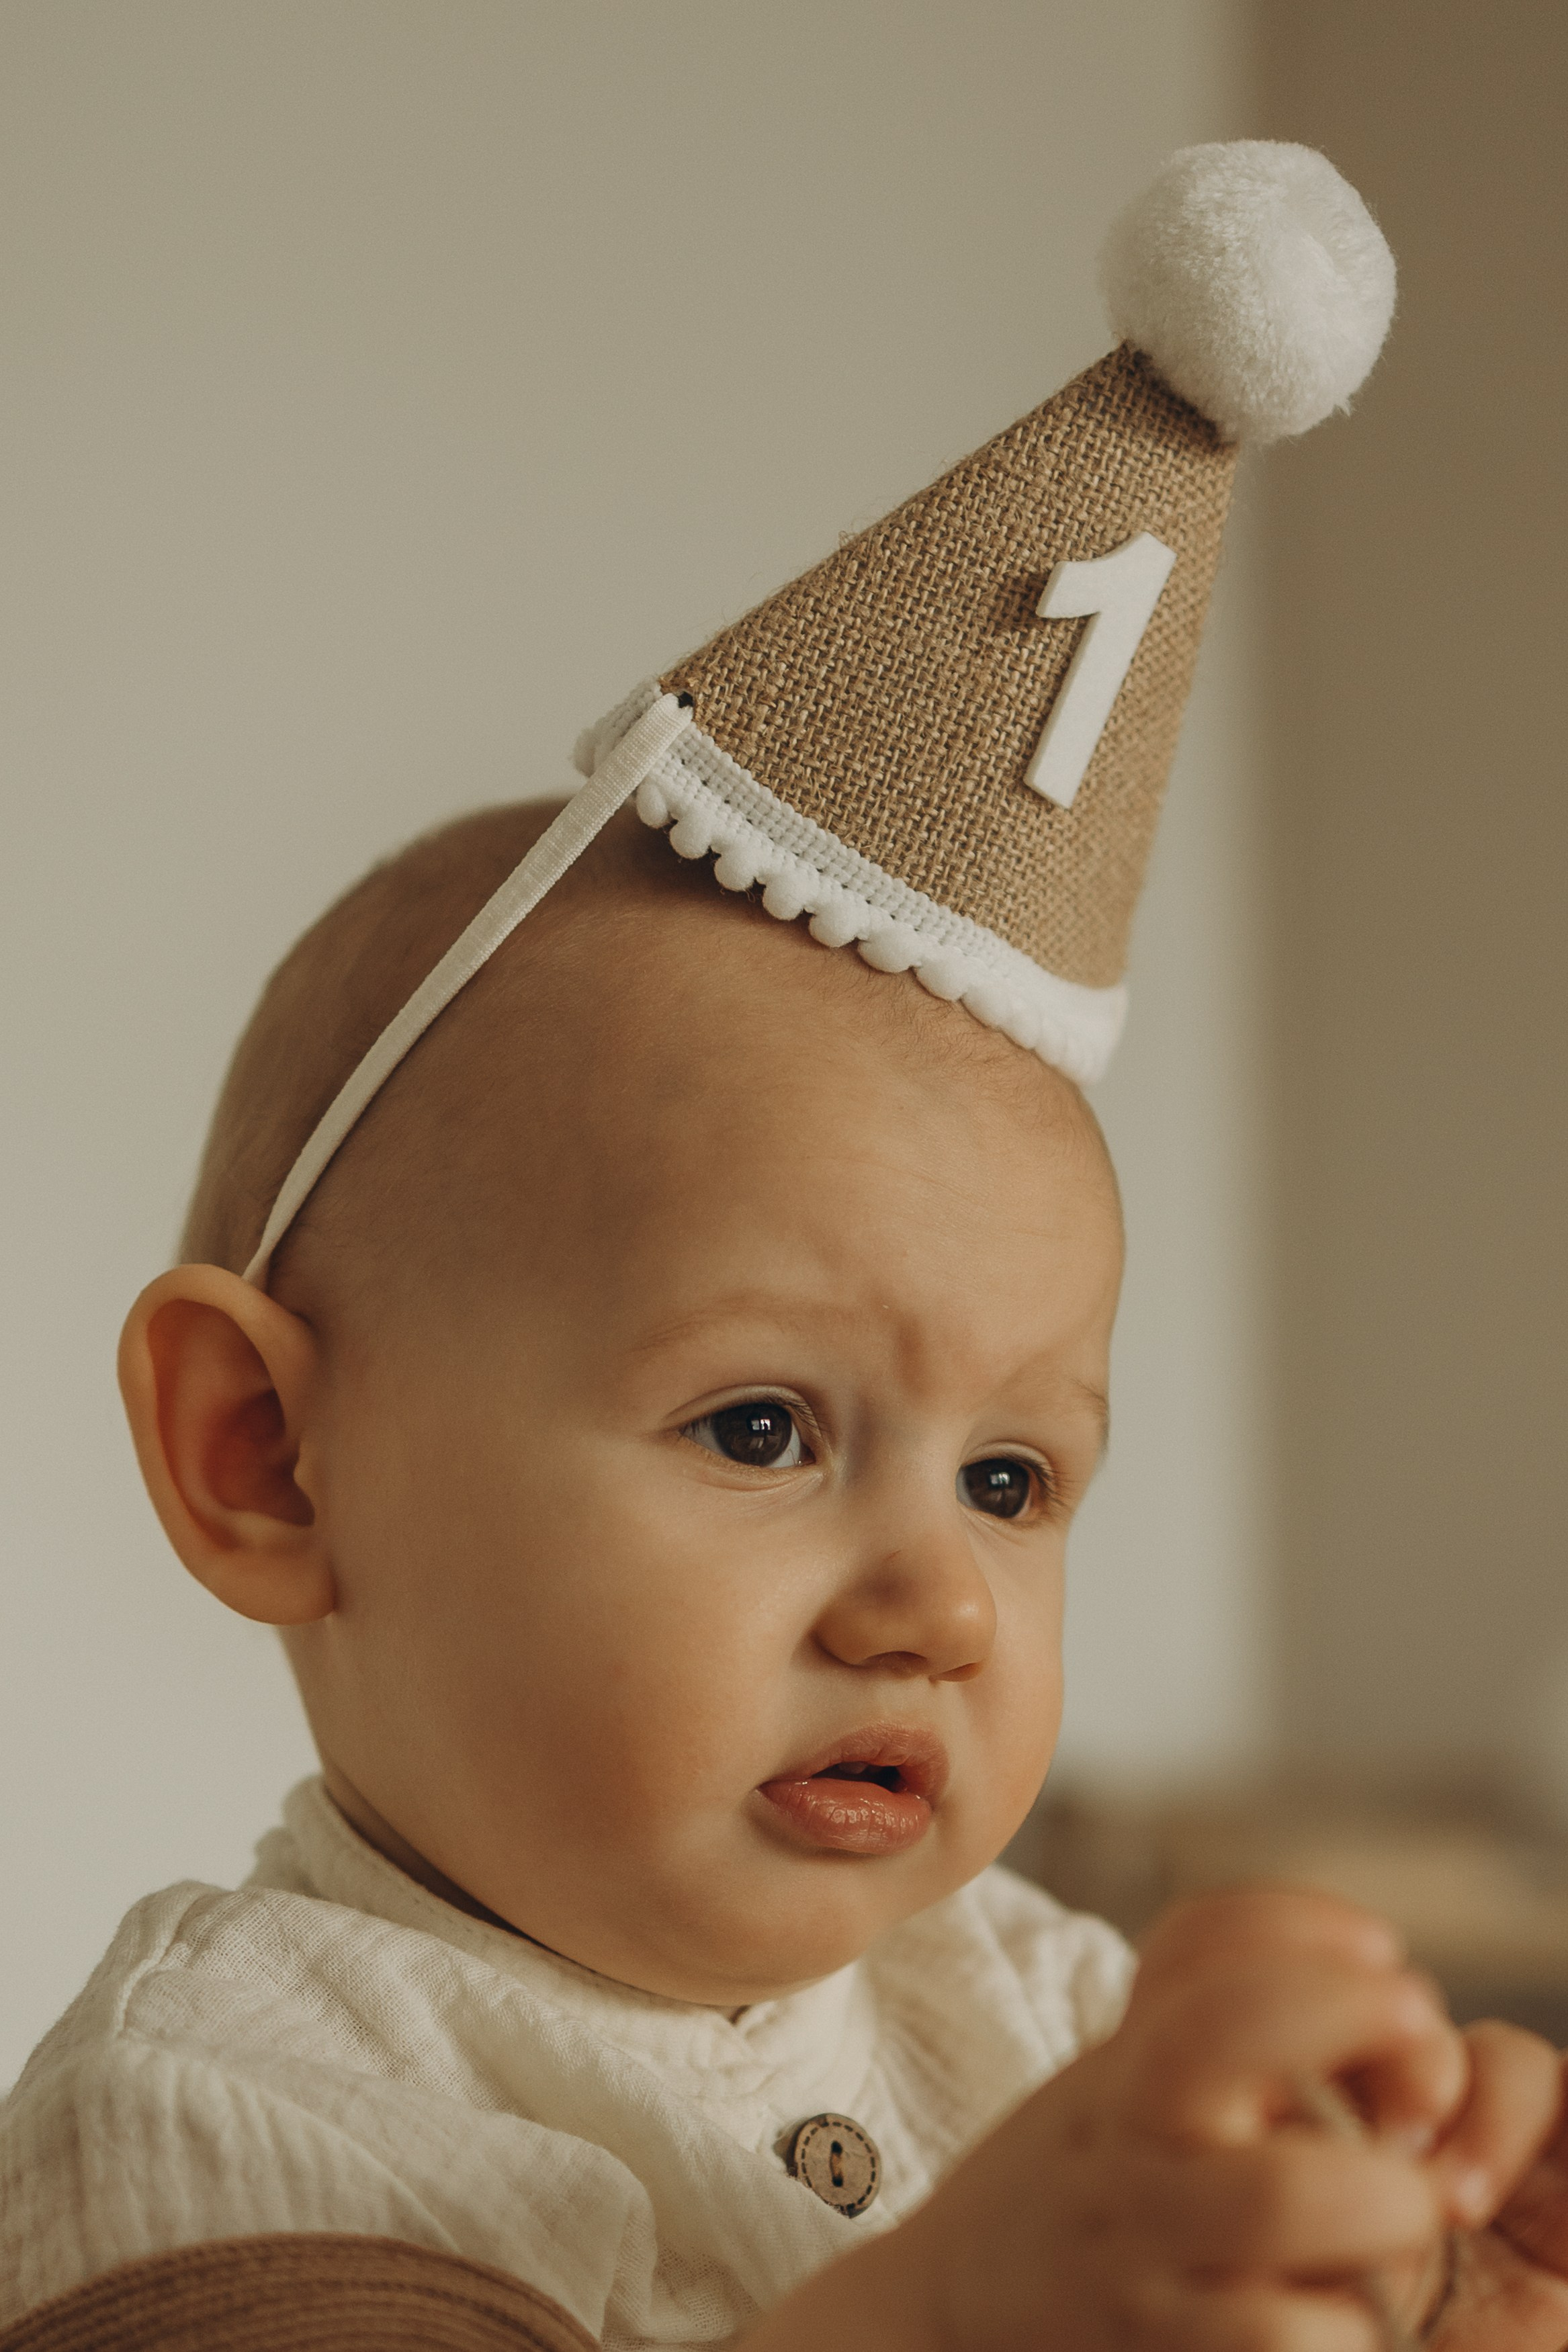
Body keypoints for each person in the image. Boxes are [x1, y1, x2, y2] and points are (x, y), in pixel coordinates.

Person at [7, 143, 1568, 2349]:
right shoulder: (227, 2105)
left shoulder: (1043, 2011)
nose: (938, 1604)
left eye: (1013, 1480)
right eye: (760, 1425)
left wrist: (1436, 2300)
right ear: (268, 1453)